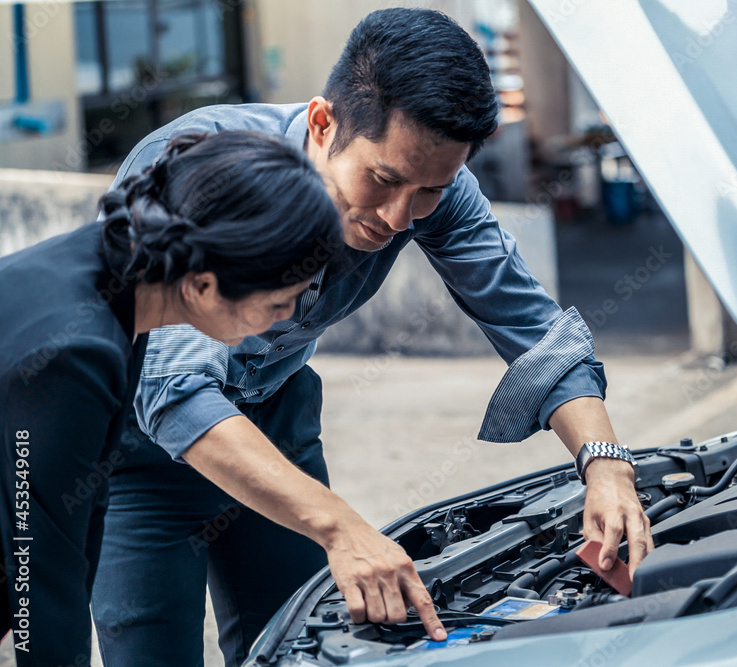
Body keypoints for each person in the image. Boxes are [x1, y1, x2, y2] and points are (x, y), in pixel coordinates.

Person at [91, 8, 655, 665]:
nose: (397, 217)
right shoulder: (194, 166)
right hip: (138, 449)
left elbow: (535, 330)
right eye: (383, 180)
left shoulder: (435, 190)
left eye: (428, 191)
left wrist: (606, 462)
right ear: (324, 122)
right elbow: (173, 388)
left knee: (301, 644)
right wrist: (342, 526)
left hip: (275, 413)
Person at [0, 130, 342, 665]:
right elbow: (40, 566)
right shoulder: (76, 351)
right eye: (281, 301)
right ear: (204, 286)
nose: (289, 319)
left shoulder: (112, 281)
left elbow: (80, 511)